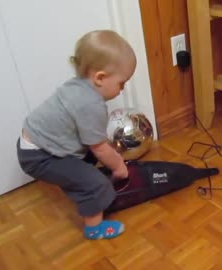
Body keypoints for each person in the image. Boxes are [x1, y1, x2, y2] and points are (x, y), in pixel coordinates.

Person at [16, 30, 136, 240]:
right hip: (40, 156)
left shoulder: (78, 85)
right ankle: (94, 228)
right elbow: (99, 147)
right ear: (100, 78)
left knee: (89, 160)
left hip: (37, 144)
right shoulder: (90, 104)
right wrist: (118, 167)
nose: (122, 90)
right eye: (122, 83)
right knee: (94, 184)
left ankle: (80, 182)